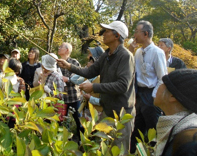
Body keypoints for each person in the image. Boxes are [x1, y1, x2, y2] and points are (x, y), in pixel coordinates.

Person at [57, 21, 135, 151]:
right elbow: (89, 72)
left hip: (122, 115)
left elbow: (122, 86)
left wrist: (94, 87)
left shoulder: (126, 56)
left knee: (119, 151)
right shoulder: (106, 55)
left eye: (107, 31)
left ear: (117, 35)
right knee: (104, 149)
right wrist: (69, 66)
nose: (103, 34)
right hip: (107, 110)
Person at [153, 69, 197, 156]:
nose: (158, 86)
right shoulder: (184, 133)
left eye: (163, 83)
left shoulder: (193, 146)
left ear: (173, 96)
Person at [129, 20, 168, 152]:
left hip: (151, 94)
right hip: (139, 94)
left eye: (136, 31)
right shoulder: (138, 52)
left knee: (153, 133)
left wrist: (153, 97)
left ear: (145, 34)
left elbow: (162, 77)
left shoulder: (157, 52)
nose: (134, 34)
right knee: (136, 130)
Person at [57, 42, 83, 140]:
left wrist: (67, 79)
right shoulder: (57, 63)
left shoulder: (74, 62)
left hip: (74, 97)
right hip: (61, 99)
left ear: (67, 50)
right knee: (62, 122)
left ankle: (82, 141)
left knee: (79, 120)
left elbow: (80, 78)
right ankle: (65, 142)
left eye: (61, 47)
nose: (59, 48)